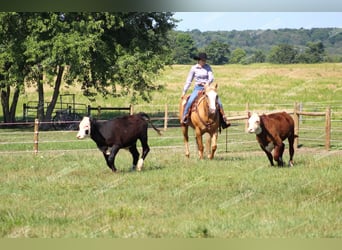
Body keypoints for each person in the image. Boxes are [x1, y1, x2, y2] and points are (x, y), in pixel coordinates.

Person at [181, 52, 230, 129]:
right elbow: (189, 80)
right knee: (190, 101)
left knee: (219, 102)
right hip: (198, 88)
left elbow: (211, 77)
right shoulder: (194, 68)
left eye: (205, 60)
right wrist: (184, 91)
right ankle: (185, 117)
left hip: (207, 88)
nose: (204, 62)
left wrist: (207, 83)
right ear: (199, 60)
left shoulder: (208, 67)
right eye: (203, 60)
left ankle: (223, 119)